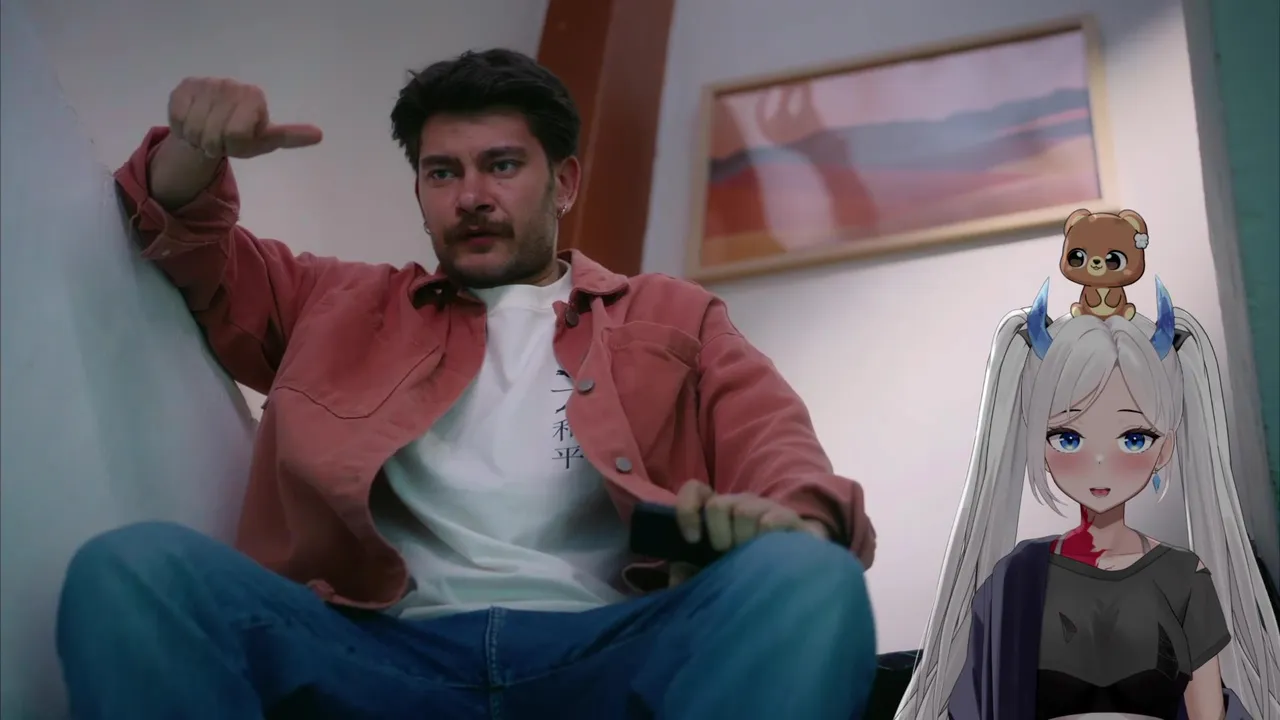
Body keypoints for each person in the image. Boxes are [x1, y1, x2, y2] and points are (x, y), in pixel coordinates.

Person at [54, 49, 879, 720]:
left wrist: (792, 524)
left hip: (609, 649)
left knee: (809, 576)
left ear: (564, 182)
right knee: (135, 570)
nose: (472, 196)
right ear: (419, 192)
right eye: (442, 173)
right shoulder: (332, 303)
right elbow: (188, 238)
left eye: (502, 165)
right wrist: (196, 145)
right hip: (372, 654)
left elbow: (775, 445)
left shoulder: (673, 315)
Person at [892, 278, 1280, 720]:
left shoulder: (1183, 578)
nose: (1099, 462)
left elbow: (1208, 713)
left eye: (1134, 438)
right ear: (1037, 442)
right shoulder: (1015, 580)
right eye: (1068, 437)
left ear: (1165, 447)